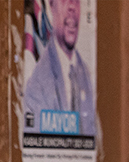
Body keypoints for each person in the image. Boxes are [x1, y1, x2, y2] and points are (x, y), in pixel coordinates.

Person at [21, 0, 96, 137]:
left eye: (76, 1)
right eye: (64, 0)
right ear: (51, 6)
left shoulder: (87, 76)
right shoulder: (37, 85)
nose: (72, 7)